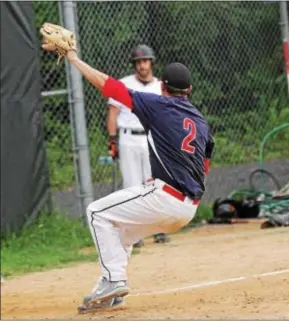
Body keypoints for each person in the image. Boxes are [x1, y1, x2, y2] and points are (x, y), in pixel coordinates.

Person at [41, 36, 214, 312]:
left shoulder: (156, 104)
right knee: (122, 232)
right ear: (190, 89)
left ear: (162, 87)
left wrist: (73, 58)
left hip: (164, 199)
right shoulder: (201, 123)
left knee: (97, 213)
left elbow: (107, 85)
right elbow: (203, 169)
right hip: (188, 208)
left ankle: (114, 279)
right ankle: (111, 292)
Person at [106, 44, 166, 248]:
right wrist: (112, 140)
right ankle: (135, 234)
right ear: (134, 65)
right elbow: (113, 114)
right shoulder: (124, 84)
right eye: (139, 62)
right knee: (132, 187)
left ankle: (158, 229)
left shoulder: (160, 86)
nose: (142, 65)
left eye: (145, 61)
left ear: (151, 62)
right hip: (129, 138)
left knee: (155, 185)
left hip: (152, 139)